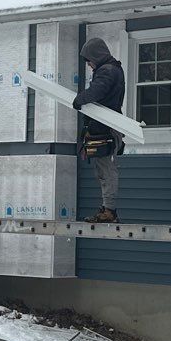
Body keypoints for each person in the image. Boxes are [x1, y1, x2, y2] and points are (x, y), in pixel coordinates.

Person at [74, 37, 125, 223]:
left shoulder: (107, 71)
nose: (88, 64)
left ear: (97, 55)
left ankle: (109, 211)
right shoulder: (111, 69)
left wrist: (80, 99)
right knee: (103, 170)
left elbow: (97, 91)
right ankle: (107, 208)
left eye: (89, 59)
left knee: (106, 170)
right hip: (104, 127)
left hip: (106, 129)